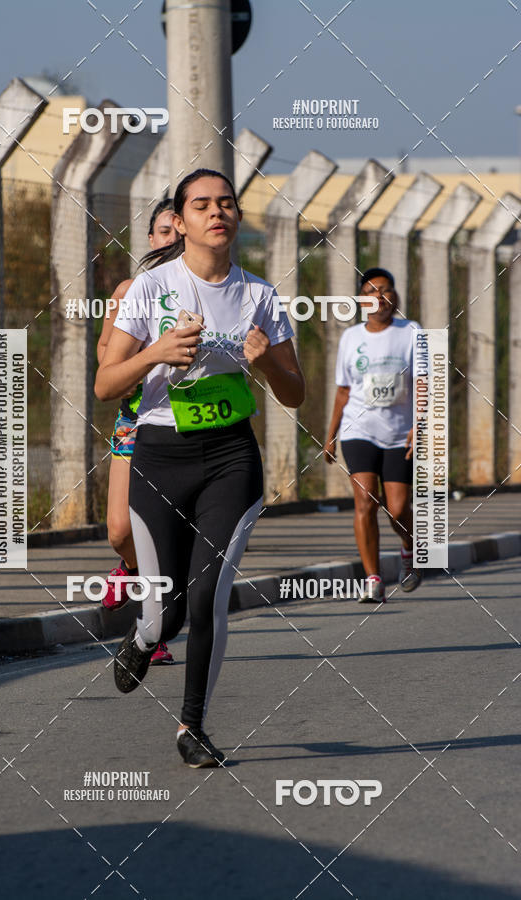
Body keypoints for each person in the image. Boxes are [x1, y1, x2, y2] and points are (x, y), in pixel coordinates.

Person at [95, 168, 304, 767]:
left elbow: (296, 394)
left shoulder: (259, 296)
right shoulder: (150, 289)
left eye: (227, 203)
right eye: (203, 204)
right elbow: (105, 384)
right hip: (160, 457)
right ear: (180, 222)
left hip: (231, 458)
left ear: (236, 217)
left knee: (209, 593)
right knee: (165, 613)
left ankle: (193, 726)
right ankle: (144, 638)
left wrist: (268, 364)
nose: (217, 212)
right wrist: (156, 353)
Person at [96, 199, 178, 665]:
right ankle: (128, 569)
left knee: (161, 533)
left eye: (178, 231)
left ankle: (155, 628)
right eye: (163, 232)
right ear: (150, 239)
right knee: (120, 530)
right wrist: (138, 360)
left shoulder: (204, 290)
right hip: (134, 419)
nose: (171, 240)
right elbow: (105, 354)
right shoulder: (128, 291)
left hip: (184, 424)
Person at [323, 267, 422, 603]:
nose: (379, 297)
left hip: (399, 435)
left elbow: (423, 383)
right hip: (358, 430)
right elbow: (343, 390)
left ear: (396, 296)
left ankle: (409, 547)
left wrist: (420, 424)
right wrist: (331, 435)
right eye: (370, 292)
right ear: (361, 301)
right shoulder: (351, 337)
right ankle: (373, 579)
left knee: (397, 508)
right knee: (366, 501)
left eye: (385, 290)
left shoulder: (411, 331)